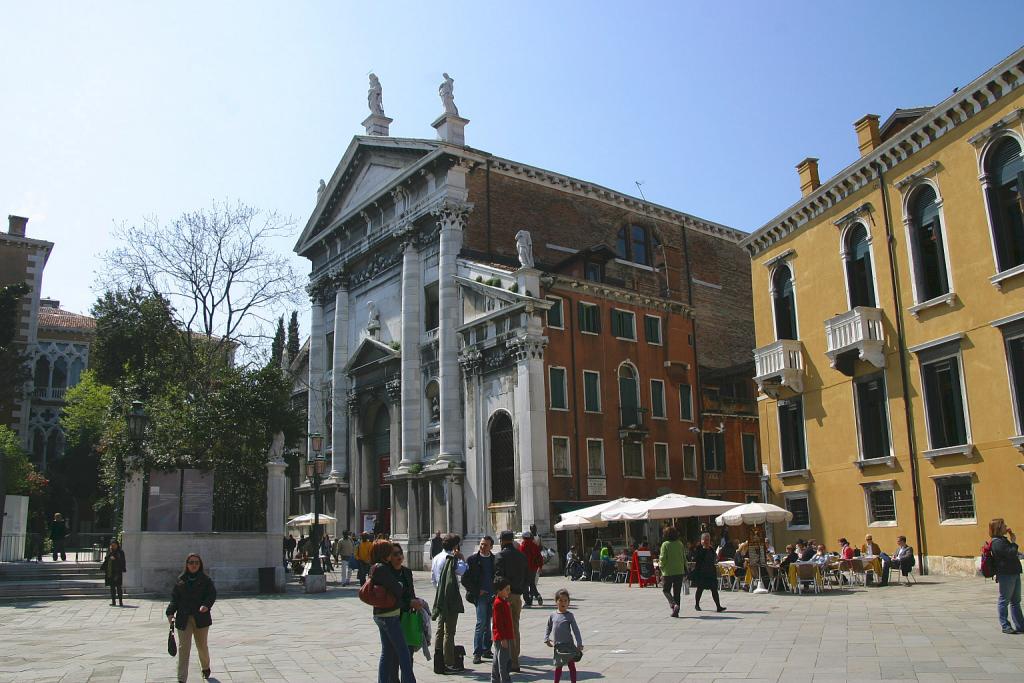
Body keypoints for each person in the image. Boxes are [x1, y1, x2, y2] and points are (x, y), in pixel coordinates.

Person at [369, 539, 426, 683]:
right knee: (403, 652)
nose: (398, 556)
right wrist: (407, 599)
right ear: (384, 553)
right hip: (389, 615)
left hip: (386, 614)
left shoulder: (379, 568)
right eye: (392, 553)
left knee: (388, 652)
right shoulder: (383, 569)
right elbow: (397, 590)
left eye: (400, 553)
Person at [166, 553, 217, 682]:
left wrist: (206, 605)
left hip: (201, 618)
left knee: (202, 646)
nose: (194, 565)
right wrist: (170, 612)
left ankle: (205, 667)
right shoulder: (180, 580)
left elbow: (212, 594)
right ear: (187, 564)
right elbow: (174, 599)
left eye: (196, 562)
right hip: (184, 618)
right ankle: (181, 678)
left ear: (200, 565)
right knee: (184, 648)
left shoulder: (206, 580)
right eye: (191, 562)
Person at [431, 534, 466, 674]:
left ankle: (438, 660)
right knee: (449, 631)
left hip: (439, 596)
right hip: (450, 598)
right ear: (455, 546)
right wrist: (461, 558)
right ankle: (449, 662)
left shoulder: (436, 558)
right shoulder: (452, 558)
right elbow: (462, 571)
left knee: (440, 630)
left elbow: (433, 579)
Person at [494, 530, 528, 673]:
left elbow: (498, 578)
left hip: (504, 596)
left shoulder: (500, 556)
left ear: (502, 540)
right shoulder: (521, 556)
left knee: (503, 628)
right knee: (515, 626)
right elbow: (527, 576)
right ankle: (515, 659)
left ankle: (507, 660)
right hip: (517, 596)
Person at [462, 535, 497, 664]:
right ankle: (477, 652)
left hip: (492, 596)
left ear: (491, 547)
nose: (482, 546)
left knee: (489, 624)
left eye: (485, 545)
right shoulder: (472, 560)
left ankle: (486, 648)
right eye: (481, 544)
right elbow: (465, 580)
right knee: (481, 623)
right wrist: (477, 591)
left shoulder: (494, 560)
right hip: (480, 596)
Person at [989, 518, 1024, 634]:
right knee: (1004, 600)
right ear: (998, 528)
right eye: (1004, 525)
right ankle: (1005, 625)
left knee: (1016, 601)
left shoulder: (1002, 540)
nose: (1006, 526)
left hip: (1013, 572)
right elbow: (1010, 553)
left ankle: (1020, 625)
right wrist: (1013, 542)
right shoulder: (997, 542)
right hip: (1006, 574)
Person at [545, 588, 584, 683]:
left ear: (568, 602)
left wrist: (579, 643)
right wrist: (546, 638)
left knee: (571, 666)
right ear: (556, 601)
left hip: (568, 645)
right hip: (558, 646)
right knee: (558, 666)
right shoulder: (553, 615)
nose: (563, 603)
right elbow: (548, 627)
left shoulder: (569, 615)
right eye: (560, 600)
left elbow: (576, 630)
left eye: (565, 601)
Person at [690, 532, 725, 612]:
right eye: (705, 540)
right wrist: (703, 549)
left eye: (708, 540)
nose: (706, 541)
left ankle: (718, 606)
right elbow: (696, 559)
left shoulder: (711, 549)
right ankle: (697, 604)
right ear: (701, 540)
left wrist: (716, 557)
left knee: (714, 590)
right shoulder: (699, 549)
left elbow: (714, 559)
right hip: (702, 573)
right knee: (700, 589)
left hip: (711, 572)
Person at [491, 576, 514, 683]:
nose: (509, 592)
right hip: (502, 637)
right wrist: (503, 638)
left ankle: (495, 680)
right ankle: (505, 680)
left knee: (497, 660)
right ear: (499, 590)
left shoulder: (502, 602)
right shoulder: (498, 603)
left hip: (502, 636)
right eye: (506, 589)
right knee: (503, 663)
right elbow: (498, 623)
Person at [659, 526, 686, 618]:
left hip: (668, 572)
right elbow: (683, 557)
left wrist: (660, 566)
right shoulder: (680, 544)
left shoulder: (665, 544)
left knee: (666, 590)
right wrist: (685, 568)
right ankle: (676, 612)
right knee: (677, 592)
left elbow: (663, 558)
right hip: (679, 571)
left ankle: (674, 605)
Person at [518, 531, 544, 607]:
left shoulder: (522, 546)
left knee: (525, 585)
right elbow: (540, 557)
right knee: (532, 583)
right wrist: (540, 567)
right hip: (533, 569)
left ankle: (528, 600)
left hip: (524, 569)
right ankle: (535, 596)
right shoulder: (534, 546)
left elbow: (519, 559)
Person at [101, 539, 126, 606]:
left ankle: (120, 602)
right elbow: (106, 559)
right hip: (110, 571)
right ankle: (113, 601)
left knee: (118, 587)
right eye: (112, 545)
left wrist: (115, 559)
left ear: (117, 545)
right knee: (112, 587)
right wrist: (110, 554)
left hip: (117, 572)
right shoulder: (110, 551)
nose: (113, 546)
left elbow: (122, 561)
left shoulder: (120, 552)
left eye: (114, 545)